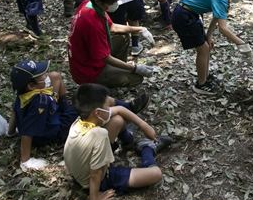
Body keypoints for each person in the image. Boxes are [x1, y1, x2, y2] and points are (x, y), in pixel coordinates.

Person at [9, 60, 150, 172]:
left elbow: (15, 111)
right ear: (32, 86)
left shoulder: (24, 94)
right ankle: (127, 112)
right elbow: (27, 133)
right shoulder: (40, 102)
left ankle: (127, 109)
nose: (46, 77)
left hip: (56, 115)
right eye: (42, 76)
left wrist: (10, 131)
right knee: (100, 100)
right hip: (57, 130)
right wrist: (25, 160)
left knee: (56, 76)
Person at [64, 83, 172, 200]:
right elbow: (96, 174)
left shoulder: (81, 120)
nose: (110, 107)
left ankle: (129, 143)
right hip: (96, 180)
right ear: (98, 112)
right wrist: (94, 199)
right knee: (156, 174)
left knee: (117, 120)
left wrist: (144, 126)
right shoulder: (100, 134)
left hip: (79, 170)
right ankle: (147, 148)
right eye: (107, 105)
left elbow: (120, 110)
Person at [171, 0, 253, 95]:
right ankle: (201, 85)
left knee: (206, 46)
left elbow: (216, 18)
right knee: (203, 49)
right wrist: (242, 44)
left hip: (191, 14)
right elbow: (223, 29)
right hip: (183, 16)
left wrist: (208, 36)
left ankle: (205, 77)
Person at [68, 0, 155, 88]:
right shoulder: (91, 22)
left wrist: (140, 29)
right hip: (88, 71)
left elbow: (112, 27)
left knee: (123, 37)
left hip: (88, 58)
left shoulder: (90, 4)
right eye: (112, 2)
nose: (115, 4)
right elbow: (104, 57)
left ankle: (117, 69)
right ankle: (98, 84)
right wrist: (135, 68)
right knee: (136, 78)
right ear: (98, 1)